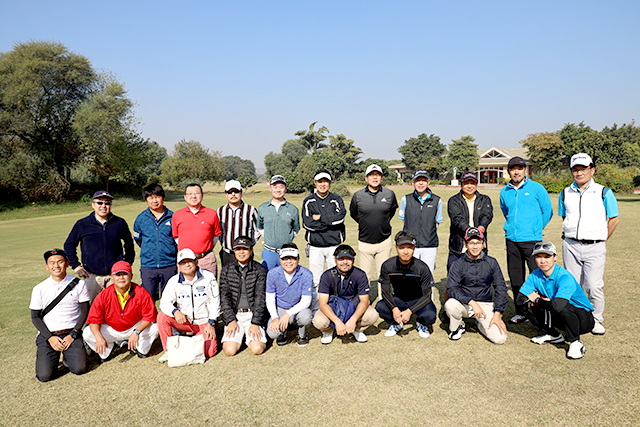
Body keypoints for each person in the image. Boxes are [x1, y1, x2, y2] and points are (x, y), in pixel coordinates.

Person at [558, 153, 619, 335]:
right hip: (571, 245)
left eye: (583, 169)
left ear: (592, 170)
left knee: (593, 285)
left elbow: (614, 218)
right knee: (572, 285)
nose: (579, 173)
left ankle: (596, 319)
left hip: (595, 246)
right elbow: (565, 217)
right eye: (575, 169)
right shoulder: (565, 193)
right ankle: (576, 318)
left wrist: (602, 238)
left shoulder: (604, 192)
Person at [517, 241, 595, 359]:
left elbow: (558, 306)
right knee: (525, 304)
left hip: (583, 320)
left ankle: (575, 342)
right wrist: (542, 301)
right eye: (538, 256)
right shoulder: (535, 275)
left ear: (555, 257)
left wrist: (538, 300)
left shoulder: (564, 276)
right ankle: (551, 334)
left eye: (547, 256)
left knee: (562, 306)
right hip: (560, 315)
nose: (543, 261)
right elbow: (519, 300)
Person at [499, 156, 553, 324]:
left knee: (537, 277)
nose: (516, 172)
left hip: (532, 240)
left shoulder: (537, 188)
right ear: (509, 171)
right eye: (513, 169)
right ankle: (521, 312)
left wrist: (536, 228)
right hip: (512, 240)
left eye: (519, 168)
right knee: (516, 277)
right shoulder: (504, 191)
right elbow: (506, 212)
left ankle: (542, 312)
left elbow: (547, 211)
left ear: (525, 170)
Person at [30, 249, 90, 382]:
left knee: (79, 369)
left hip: (71, 334)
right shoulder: (39, 288)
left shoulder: (79, 284)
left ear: (67, 263)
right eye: (52, 263)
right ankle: (53, 356)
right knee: (44, 376)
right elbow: (35, 317)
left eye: (60, 261)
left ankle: (71, 354)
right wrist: (50, 338)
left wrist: (73, 334)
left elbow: (85, 311)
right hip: (48, 335)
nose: (56, 266)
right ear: (47, 266)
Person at [64, 190, 135, 302]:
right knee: (90, 307)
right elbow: (69, 245)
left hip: (115, 275)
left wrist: (127, 264)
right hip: (91, 275)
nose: (103, 206)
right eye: (100, 203)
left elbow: (129, 244)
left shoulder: (119, 222)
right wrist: (76, 266)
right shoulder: (82, 224)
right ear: (93, 205)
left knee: (117, 306)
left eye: (107, 203)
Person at [83, 261, 158, 361]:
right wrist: (99, 338)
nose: (121, 278)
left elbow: (149, 317)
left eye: (125, 274)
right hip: (112, 329)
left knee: (155, 327)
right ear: (112, 277)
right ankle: (108, 350)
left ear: (131, 276)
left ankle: (140, 348)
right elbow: (94, 320)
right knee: (87, 333)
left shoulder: (141, 292)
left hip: (134, 327)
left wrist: (136, 332)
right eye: (117, 275)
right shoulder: (103, 295)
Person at [445, 228, 508, 344]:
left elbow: (501, 288)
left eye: (478, 243)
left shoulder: (492, 262)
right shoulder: (458, 263)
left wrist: (498, 314)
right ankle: (458, 326)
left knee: (500, 339)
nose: (475, 247)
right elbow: (451, 288)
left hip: (485, 304)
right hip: (465, 304)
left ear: (483, 244)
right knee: (450, 305)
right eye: (471, 243)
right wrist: (472, 302)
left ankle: (480, 324)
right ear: (465, 244)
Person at [157, 248, 220, 362]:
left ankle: (195, 340)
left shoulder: (208, 277)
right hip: (185, 321)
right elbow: (164, 303)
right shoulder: (173, 281)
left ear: (196, 261)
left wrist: (211, 322)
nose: (187, 265)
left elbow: (215, 301)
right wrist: (175, 312)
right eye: (183, 263)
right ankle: (169, 350)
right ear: (178, 265)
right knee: (162, 317)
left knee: (209, 352)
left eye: (190, 261)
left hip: (204, 322)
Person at [312, 245, 379, 344]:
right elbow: (322, 304)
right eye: (341, 259)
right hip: (334, 307)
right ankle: (328, 331)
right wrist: (337, 321)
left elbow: (364, 301)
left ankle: (356, 329)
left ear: (353, 260)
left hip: (353, 306)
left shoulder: (360, 274)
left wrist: (353, 319)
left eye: (348, 259)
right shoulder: (326, 276)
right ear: (335, 260)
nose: (345, 262)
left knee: (372, 315)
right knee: (319, 321)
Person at [375, 231, 436, 339]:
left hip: (418, 299)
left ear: (414, 248)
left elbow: (427, 296)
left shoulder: (422, 267)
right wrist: (394, 309)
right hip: (399, 299)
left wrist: (410, 311)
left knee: (429, 316)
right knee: (380, 307)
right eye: (402, 248)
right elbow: (385, 292)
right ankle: (396, 323)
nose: (406, 252)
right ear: (396, 248)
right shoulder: (387, 265)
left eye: (409, 247)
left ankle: (421, 323)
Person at [301, 169, 347, 310]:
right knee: (316, 279)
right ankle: (317, 309)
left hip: (334, 246)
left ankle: (337, 307)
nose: (323, 184)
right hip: (316, 246)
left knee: (337, 277)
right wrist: (329, 222)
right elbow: (307, 224)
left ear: (330, 183)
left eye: (325, 181)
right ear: (315, 183)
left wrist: (320, 218)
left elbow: (340, 219)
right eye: (320, 181)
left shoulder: (336, 199)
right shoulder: (309, 201)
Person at [349, 164, 398, 294]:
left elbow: (391, 211)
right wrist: (366, 222)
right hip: (365, 241)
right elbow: (354, 213)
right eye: (371, 175)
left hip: (384, 241)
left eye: (377, 175)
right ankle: (365, 302)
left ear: (381, 178)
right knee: (365, 275)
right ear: (366, 178)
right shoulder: (358, 195)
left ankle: (384, 301)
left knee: (384, 274)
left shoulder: (389, 194)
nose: (374, 177)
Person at [219, 236, 268, 356]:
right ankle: (241, 336)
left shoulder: (260, 270)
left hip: (252, 315)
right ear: (234, 251)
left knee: (257, 349)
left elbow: (261, 298)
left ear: (251, 250)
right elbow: (224, 297)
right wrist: (231, 320)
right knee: (229, 351)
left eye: (245, 249)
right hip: (235, 315)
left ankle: (250, 337)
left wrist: (255, 322)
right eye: (238, 249)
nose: (241, 252)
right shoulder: (226, 269)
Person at [133, 183, 178, 301]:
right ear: (146, 200)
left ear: (163, 198)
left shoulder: (173, 217)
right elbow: (138, 238)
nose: (154, 201)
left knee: (170, 299)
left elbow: (178, 240)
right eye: (151, 197)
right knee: (147, 299)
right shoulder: (141, 219)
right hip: (148, 265)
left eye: (157, 197)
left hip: (169, 264)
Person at [265, 243, 313, 347]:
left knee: (306, 317)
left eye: (292, 258)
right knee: (272, 333)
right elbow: (270, 299)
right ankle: (282, 334)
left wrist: (288, 314)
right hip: (280, 308)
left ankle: (302, 334)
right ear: (280, 259)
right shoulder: (272, 274)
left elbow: (306, 301)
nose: (289, 262)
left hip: (299, 309)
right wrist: (275, 317)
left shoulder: (306, 274)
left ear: (298, 259)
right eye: (285, 258)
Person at [447, 171, 493, 271]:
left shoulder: (484, 199)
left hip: (478, 246)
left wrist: (480, 229)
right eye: (466, 183)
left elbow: (487, 216)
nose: (469, 186)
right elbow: (457, 219)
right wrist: (472, 233)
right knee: (454, 276)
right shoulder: (454, 200)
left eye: (472, 183)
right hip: (458, 247)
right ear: (461, 185)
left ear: (476, 185)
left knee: (479, 276)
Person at [172, 183, 222, 276]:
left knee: (209, 284)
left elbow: (216, 236)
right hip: (186, 261)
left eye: (196, 193)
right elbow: (176, 237)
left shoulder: (212, 214)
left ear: (202, 195)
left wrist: (205, 249)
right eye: (190, 193)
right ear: (185, 197)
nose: (193, 196)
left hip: (206, 259)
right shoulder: (177, 215)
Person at [398, 169, 442, 274]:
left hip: (429, 244)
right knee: (410, 274)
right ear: (413, 183)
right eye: (418, 180)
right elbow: (404, 220)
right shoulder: (406, 199)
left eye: (424, 180)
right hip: (410, 244)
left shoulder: (437, 200)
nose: (421, 183)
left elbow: (437, 222)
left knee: (427, 273)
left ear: (428, 182)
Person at [257, 175, 300, 270]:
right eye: (275, 186)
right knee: (268, 277)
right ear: (270, 188)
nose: (278, 190)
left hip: (287, 253)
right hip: (269, 252)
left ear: (286, 189)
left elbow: (296, 229)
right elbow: (259, 226)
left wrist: (287, 238)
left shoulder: (293, 209)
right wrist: (269, 237)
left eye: (281, 186)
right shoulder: (263, 208)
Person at [217, 180, 260, 268]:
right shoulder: (220, 211)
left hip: (245, 254)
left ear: (241, 193)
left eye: (236, 191)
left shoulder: (250, 210)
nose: (233, 194)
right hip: (227, 254)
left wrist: (250, 243)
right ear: (226, 194)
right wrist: (223, 243)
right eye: (230, 192)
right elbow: (217, 231)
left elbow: (258, 230)